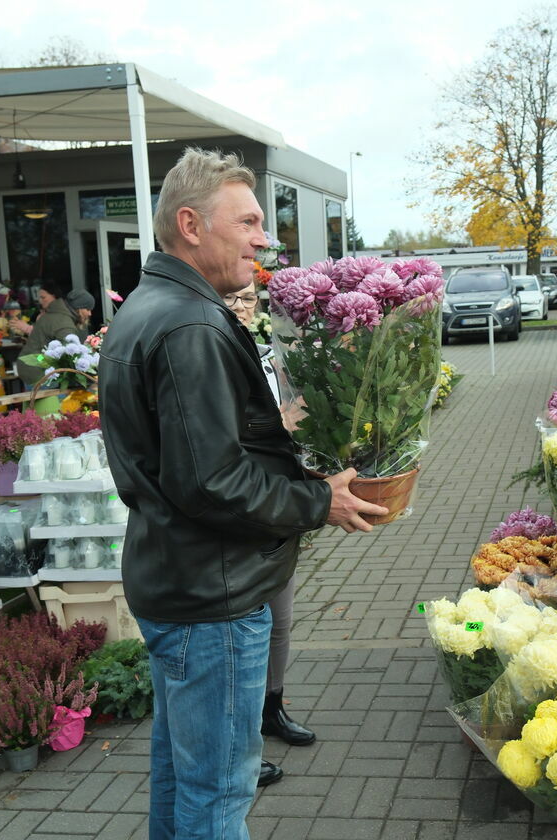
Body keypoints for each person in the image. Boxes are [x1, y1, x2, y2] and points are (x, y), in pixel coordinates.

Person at [99, 148, 386, 840]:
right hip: (213, 598)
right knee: (218, 796)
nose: (265, 238)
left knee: (182, 781)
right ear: (191, 225)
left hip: (179, 582)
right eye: (250, 222)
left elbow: (201, 460)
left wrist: (301, 477)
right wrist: (320, 503)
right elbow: (211, 481)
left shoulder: (152, 306)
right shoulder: (189, 323)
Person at [223, 282, 317, 766]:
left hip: (280, 508)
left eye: (249, 300)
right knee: (245, 632)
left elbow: (299, 416)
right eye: (231, 300)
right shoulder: (213, 359)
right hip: (242, 510)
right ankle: (241, 744)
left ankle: (272, 710)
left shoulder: (270, 357)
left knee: (280, 622)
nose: (241, 307)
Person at [17, 282, 83, 385]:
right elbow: (68, 354)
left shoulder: (51, 317)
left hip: (30, 367)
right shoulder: (59, 319)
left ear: (54, 296)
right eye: (40, 297)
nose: (40, 301)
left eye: (43, 297)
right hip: (36, 368)